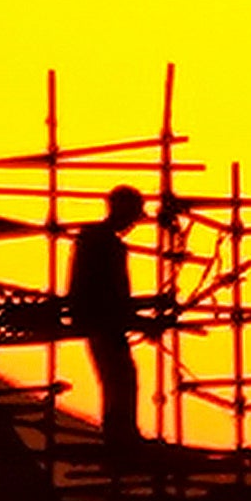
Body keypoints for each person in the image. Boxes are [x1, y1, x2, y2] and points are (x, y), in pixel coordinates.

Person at [69, 181, 155, 450]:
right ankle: (120, 435)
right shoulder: (102, 243)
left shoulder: (96, 240)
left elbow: (115, 297)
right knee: (120, 377)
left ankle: (121, 433)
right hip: (102, 321)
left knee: (119, 376)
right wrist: (136, 319)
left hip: (102, 320)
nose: (132, 224)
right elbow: (109, 295)